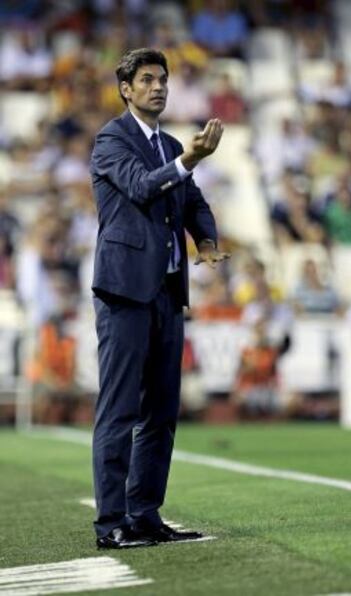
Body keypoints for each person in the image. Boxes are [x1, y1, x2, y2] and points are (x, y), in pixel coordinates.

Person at [90, 48, 229, 549]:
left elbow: (193, 202)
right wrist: (189, 159)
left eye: (163, 79)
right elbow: (143, 188)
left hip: (167, 294)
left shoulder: (169, 142)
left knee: (161, 412)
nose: (158, 87)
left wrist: (207, 240)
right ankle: (111, 525)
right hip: (124, 292)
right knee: (120, 410)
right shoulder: (111, 139)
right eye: (147, 79)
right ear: (126, 89)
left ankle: (145, 515)